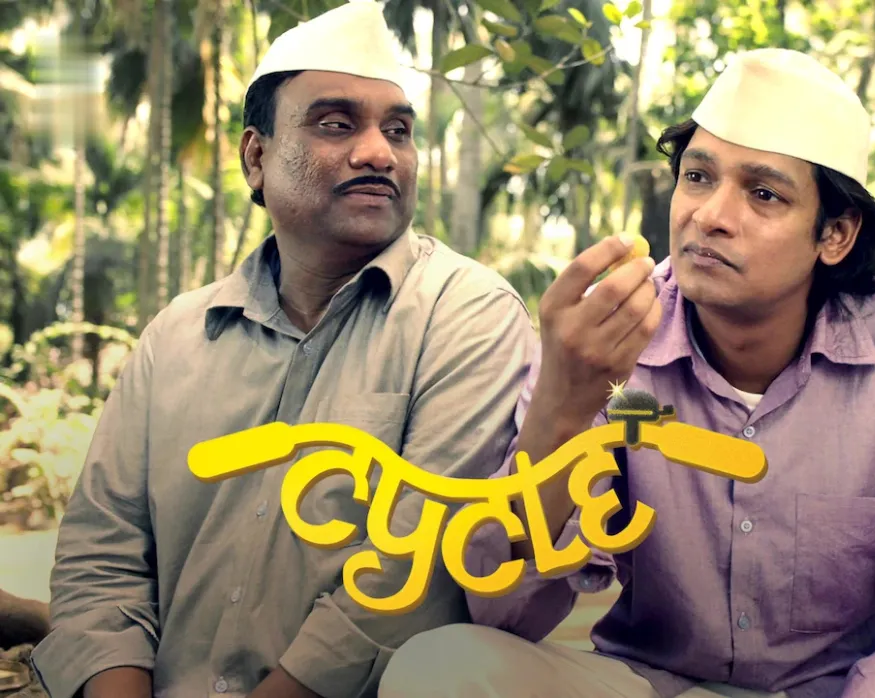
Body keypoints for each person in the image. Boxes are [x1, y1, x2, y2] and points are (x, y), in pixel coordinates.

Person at [380, 48, 875, 698]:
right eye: (697, 177)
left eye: (764, 194)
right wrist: (560, 410)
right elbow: (507, 614)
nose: (710, 216)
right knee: (440, 667)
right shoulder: (607, 340)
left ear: (834, 234)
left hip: (843, 693)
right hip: (649, 685)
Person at [30, 2, 534, 697]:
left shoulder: (466, 315)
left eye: (398, 130)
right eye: (336, 124)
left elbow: (414, 570)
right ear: (255, 157)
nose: (379, 153)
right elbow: (102, 556)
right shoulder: (175, 337)